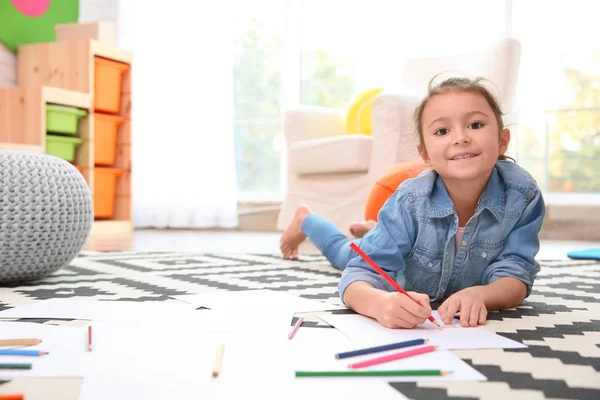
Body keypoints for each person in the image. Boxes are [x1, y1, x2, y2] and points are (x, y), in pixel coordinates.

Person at [279, 76, 546, 329]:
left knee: (380, 237)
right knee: (344, 252)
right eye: (442, 130)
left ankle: (375, 230)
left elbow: (517, 273)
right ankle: (306, 219)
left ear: (503, 140)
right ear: (425, 155)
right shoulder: (410, 200)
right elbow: (355, 277)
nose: (460, 138)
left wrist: (482, 295)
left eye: (475, 125)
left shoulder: (522, 195)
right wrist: (379, 303)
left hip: (403, 234)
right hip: (400, 253)